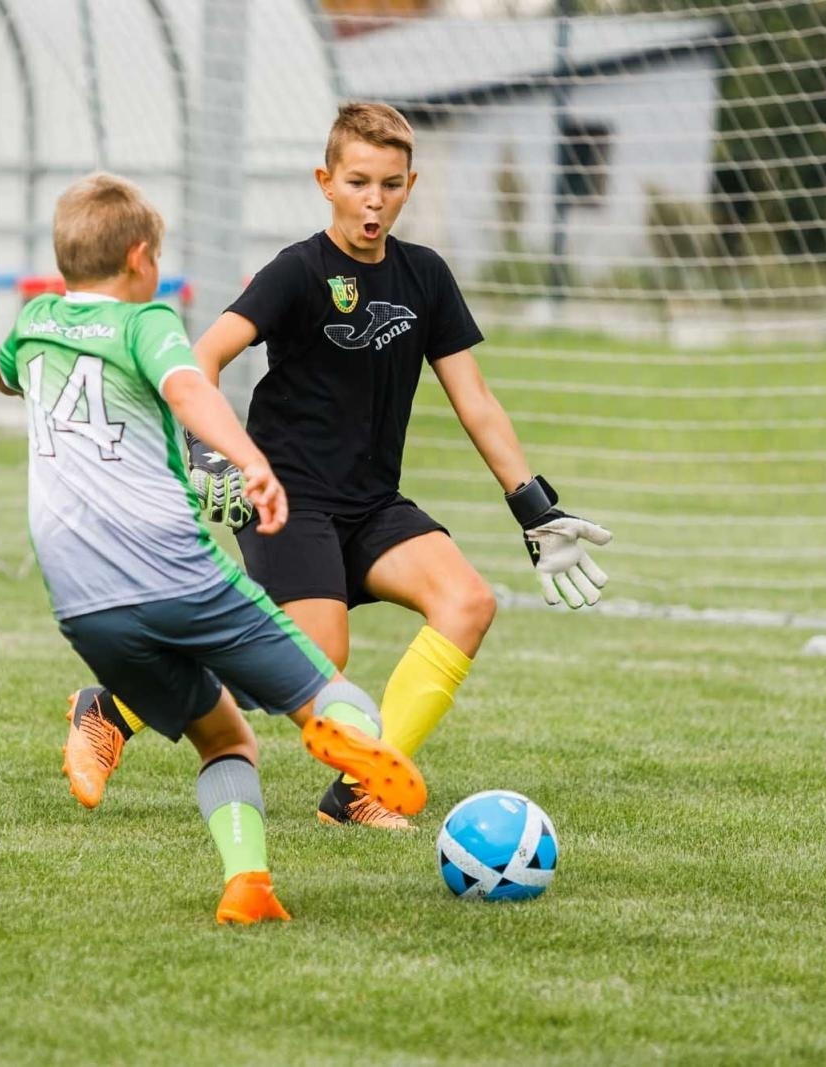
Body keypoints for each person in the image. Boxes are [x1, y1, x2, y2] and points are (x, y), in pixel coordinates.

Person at [61, 103, 610, 829]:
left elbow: (474, 398)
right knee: (315, 653)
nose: (374, 200)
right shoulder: (298, 271)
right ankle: (112, 703)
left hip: (373, 505)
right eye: (358, 182)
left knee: (469, 602)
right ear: (327, 181)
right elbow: (204, 356)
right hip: (287, 499)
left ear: (410, 184)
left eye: (390, 183)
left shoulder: (426, 276)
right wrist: (209, 451)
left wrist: (532, 503)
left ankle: (358, 792)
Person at [0, 172, 425, 923]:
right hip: (179, 576)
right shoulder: (147, 322)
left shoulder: (33, 322)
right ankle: (348, 737)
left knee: (225, 737)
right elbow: (191, 390)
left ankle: (249, 887)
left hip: (83, 610)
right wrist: (249, 458)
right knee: (329, 685)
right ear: (139, 258)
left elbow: (3, 377)